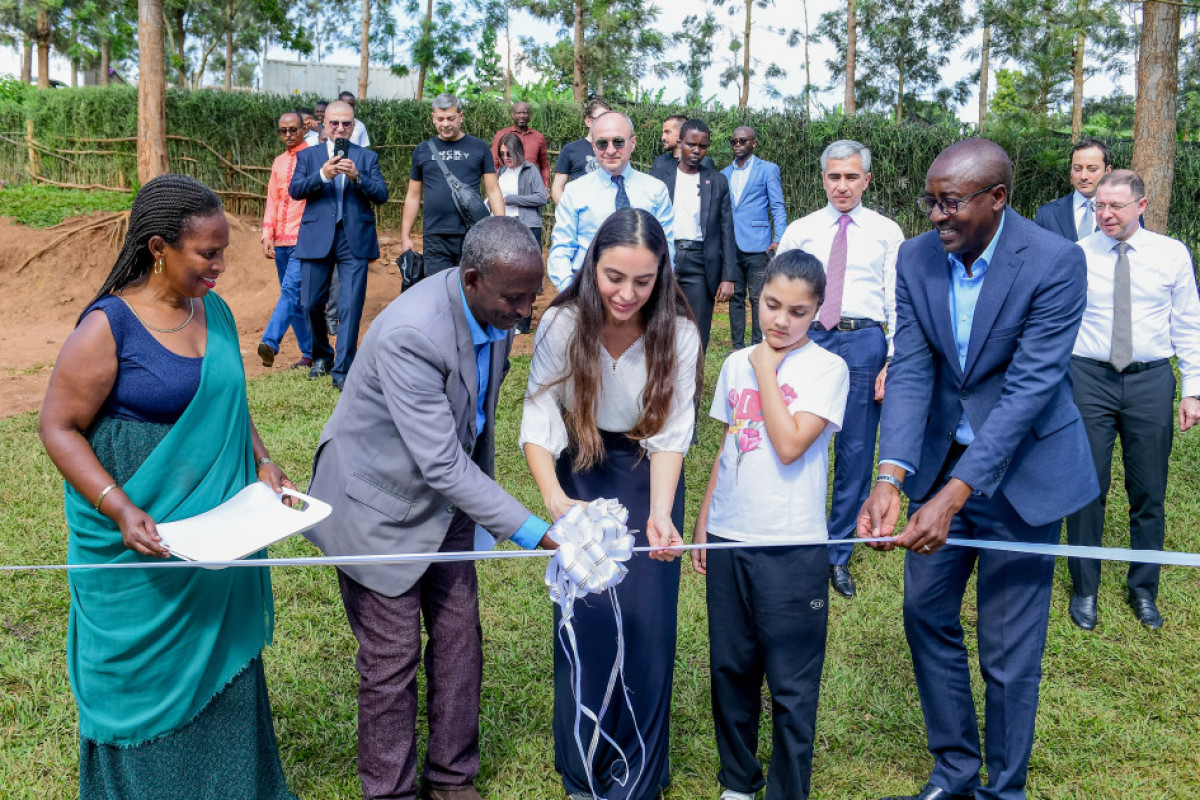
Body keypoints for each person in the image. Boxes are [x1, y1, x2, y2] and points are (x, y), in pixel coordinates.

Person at [38, 174, 297, 800]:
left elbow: (228, 400)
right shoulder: (109, 327)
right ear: (158, 248)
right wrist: (120, 506)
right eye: (207, 253)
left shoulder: (214, 309)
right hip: (140, 546)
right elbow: (58, 426)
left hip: (216, 545)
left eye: (223, 250)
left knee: (224, 673)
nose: (221, 266)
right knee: (141, 688)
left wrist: (261, 460)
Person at [858, 138, 1098, 800]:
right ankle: (956, 770)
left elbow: (1028, 391)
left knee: (1007, 647)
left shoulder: (1055, 262)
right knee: (924, 612)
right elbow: (911, 365)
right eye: (930, 200)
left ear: (997, 198)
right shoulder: (915, 257)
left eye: (951, 202)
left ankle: (1005, 788)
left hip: (1024, 474)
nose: (936, 215)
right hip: (940, 463)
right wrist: (892, 477)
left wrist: (955, 498)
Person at [305, 216, 554, 800]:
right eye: (515, 299)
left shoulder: (496, 309)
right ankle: (390, 791)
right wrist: (535, 531)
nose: (524, 313)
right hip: (378, 508)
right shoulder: (413, 332)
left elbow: (470, 429)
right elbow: (441, 462)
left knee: (459, 640)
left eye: (531, 298)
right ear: (471, 280)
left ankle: (451, 779)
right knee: (391, 664)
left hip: (448, 502)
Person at [521, 208, 701, 800]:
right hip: (582, 472)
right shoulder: (561, 324)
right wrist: (555, 501)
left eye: (642, 281)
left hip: (648, 474)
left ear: (661, 276)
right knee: (588, 618)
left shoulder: (679, 332)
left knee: (648, 624)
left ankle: (640, 774)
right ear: (592, 265)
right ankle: (583, 768)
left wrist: (661, 512)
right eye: (613, 277)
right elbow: (541, 415)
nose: (627, 293)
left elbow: (673, 433)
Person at [692, 249, 849, 800]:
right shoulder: (736, 362)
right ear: (759, 298)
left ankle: (787, 788)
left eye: (798, 312)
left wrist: (765, 368)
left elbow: (787, 445)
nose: (781, 321)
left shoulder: (827, 369)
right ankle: (738, 780)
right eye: (773, 305)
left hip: (790, 546)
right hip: (731, 538)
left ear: (817, 312)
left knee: (790, 682)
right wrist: (707, 518)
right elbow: (731, 440)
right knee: (730, 668)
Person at [1064, 169, 1200, 631]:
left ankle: (1144, 590)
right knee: (1087, 488)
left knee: (1148, 491)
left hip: (1150, 382)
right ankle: (1084, 589)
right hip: (1089, 379)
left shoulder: (1171, 254)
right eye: (1100, 206)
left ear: (1141, 206)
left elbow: (1188, 326)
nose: (1105, 215)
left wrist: (1193, 389)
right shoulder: (1077, 255)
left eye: (1115, 207)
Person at [777, 139, 904, 599]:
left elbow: (896, 298)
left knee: (854, 452)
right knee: (800, 443)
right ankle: (797, 542)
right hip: (810, 340)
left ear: (867, 179)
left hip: (863, 342)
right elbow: (780, 293)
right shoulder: (802, 229)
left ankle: (836, 554)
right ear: (823, 178)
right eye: (834, 176)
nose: (843, 185)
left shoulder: (887, 232)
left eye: (852, 176)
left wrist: (893, 358)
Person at [289, 99, 389, 391]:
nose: (341, 128)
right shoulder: (310, 156)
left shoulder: (366, 157)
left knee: (351, 305)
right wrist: (323, 175)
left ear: (354, 125)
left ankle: (343, 370)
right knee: (309, 303)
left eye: (347, 123)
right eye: (335, 123)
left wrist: (357, 177)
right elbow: (295, 190)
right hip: (316, 237)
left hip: (354, 238)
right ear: (324, 124)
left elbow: (381, 194)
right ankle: (322, 355)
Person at [547, 111, 674, 291]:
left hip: (641, 294)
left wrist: (655, 291)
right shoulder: (575, 191)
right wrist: (572, 291)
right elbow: (561, 248)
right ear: (593, 146)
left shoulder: (655, 190)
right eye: (602, 143)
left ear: (633, 143)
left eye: (619, 142)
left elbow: (667, 248)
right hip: (587, 288)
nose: (611, 150)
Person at [649, 118, 736, 350]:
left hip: (700, 263)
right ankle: (661, 383)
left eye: (703, 146)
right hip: (664, 259)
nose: (697, 151)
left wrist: (728, 276)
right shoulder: (658, 177)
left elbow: (726, 229)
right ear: (680, 143)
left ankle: (692, 385)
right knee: (659, 326)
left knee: (696, 332)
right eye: (691, 144)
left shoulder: (717, 181)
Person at [401, 93, 505, 277]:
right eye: (440, 119)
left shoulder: (479, 147)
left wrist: (501, 226)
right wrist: (405, 235)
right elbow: (413, 195)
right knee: (437, 289)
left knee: (470, 289)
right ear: (433, 118)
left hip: (472, 233)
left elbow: (493, 190)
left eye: (451, 118)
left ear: (461, 117)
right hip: (435, 235)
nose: (445, 124)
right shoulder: (422, 150)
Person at [722, 126, 788, 349]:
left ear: (753, 143)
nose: (737, 145)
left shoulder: (768, 170)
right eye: (734, 141)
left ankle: (758, 346)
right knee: (735, 297)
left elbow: (777, 206)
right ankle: (737, 348)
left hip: (759, 244)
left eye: (742, 140)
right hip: (731, 245)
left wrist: (779, 238)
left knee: (759, 298)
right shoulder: (724, 174)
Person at [258, 110, 314, 370]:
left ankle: (270, 342)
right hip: (280, 240)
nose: (288, 135)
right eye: (283, 131)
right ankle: (310, 353)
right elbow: (272, 198)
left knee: (290, 292)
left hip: (304, 238)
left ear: (305, 128)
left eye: (293, 129)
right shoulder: (278, 162)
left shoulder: (314, 157)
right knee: (295, 300)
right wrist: (267, 233)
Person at [497, 132, 548, 334]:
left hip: (527, 226)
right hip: (505, 227)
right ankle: (508, 320)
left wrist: (513, 199)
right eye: (502, 154)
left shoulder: (530, 170)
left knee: (525, 276)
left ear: (518, 151)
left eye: (509, 153)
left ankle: (523, 324)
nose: (506, 158)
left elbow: (541, 198)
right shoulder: (500, 173)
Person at [1033, 137, 1111, 241]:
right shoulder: (1047, 214)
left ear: (1107, 171)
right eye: (1077, 169)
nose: (1083, 176)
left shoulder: (1125, 212)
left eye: (1092, 169)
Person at [551, 98, 611, 203]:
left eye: (609, 119)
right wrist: (569, 213)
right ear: (588, 121)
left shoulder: (615, 149)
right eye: (600, 118)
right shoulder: (570, 149)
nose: (605, 123)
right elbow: (557, 189)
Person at [491, 101, 551, 189]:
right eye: (518, 113)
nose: (522, 116)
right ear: (513, 114)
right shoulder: (501, 135)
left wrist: (546, 187)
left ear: (530, 115)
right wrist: (494, 187)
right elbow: (494, 163)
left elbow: (544, 165)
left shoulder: (538, 137)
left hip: (531, 185)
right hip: (507, 184)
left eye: (525, 113)